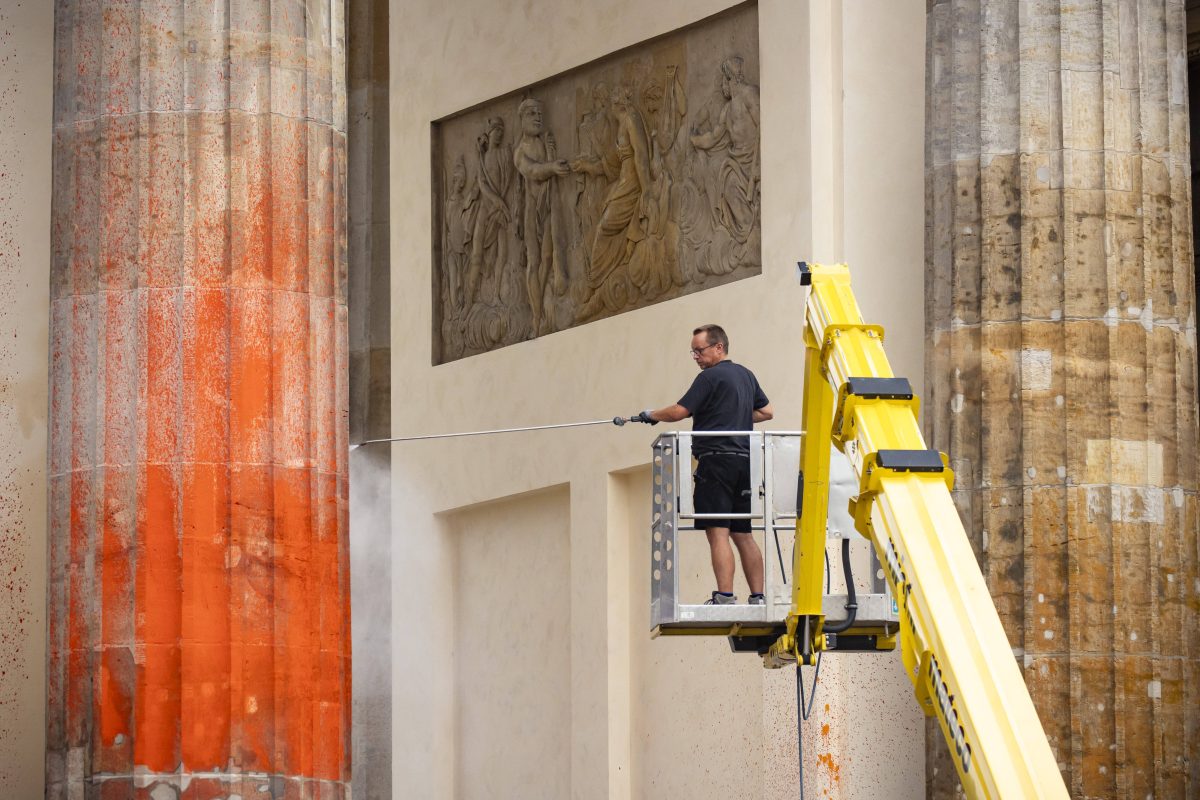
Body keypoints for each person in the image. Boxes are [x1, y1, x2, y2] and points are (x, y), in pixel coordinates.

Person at [633, 324, 773, 605]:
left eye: (700, 350)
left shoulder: (709, 378)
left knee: (717, 531)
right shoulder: (746, 375)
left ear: (718, 347)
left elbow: (679, 411)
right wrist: (734, 415)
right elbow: (766, 412)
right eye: (693, 352)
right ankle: (758, 597)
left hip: (715, 462)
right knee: (743, 533)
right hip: (746, 463)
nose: (696, 357)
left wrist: (651, 414)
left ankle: (725, 595)